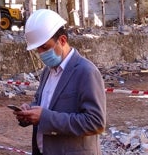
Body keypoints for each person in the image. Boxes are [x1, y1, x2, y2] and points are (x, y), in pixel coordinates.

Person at [13, 9, 106, 155]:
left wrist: (45, 117)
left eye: (45, 47)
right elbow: (42, 104)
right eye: (38, 49)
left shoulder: (86, 72)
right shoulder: (47, 72)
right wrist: (29, 111)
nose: (41, 53)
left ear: (62, 40)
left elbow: (95, 122)